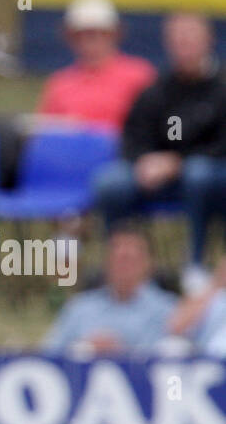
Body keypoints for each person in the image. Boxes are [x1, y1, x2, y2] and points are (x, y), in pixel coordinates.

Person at [92, 14, 226, 284]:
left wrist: (178, 161)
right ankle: (124, 269)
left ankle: (194, 267)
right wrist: (144, 161)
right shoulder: (156, 90)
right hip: (158, 177)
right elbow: (133, 135)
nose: (183, 44)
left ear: (209, 40)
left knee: (198, 174)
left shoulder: (221, 88)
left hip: (210, 177)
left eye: (190, 37)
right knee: (111, 182)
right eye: (177, 39)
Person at [42, 225, 176, 356]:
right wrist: (84, 349)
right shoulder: (79, 308)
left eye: (129, 259)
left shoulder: (171, 311)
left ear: (149, 263)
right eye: (117, 258)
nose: (123, 266)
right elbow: (47, 356)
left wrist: (123, 354)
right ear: (105, 262)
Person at [36, 0, 155, 132]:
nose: (89, 41)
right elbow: (45, 133)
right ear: (70, 38)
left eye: (98, 34)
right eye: (82, 35)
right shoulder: (60, 83)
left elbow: (154, 127)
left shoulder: (140, 76)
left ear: (115, 34)